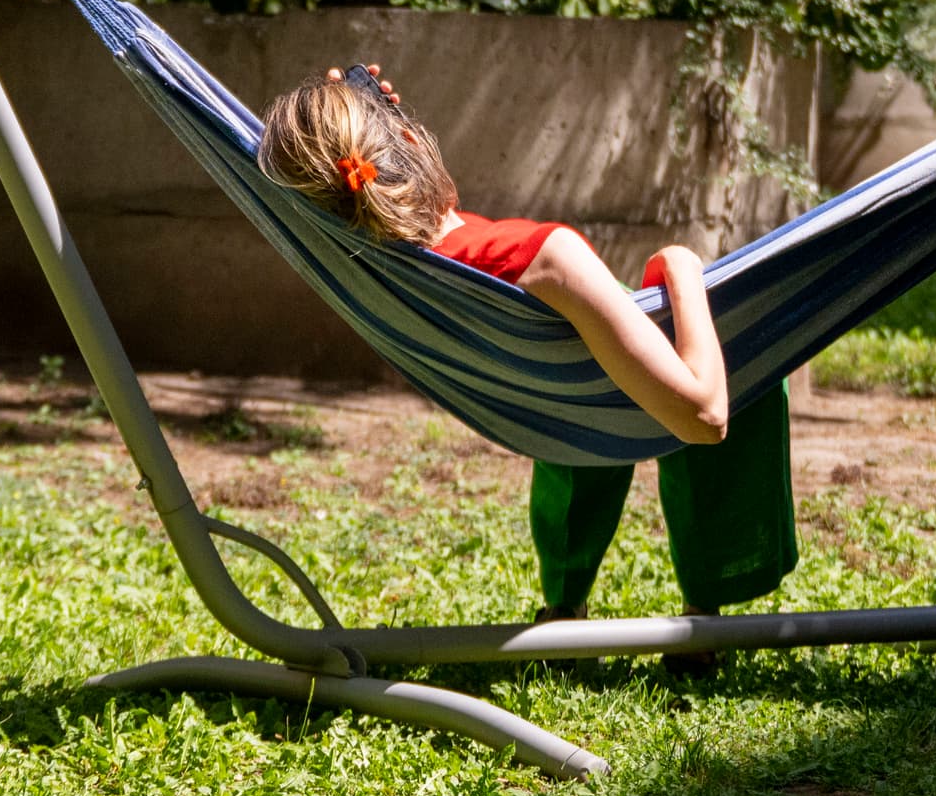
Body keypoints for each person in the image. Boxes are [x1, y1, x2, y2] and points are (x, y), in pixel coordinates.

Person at [255, 64, 797, 653]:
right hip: (631, 405)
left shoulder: (382, 271)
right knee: (746, 341)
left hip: (556, 415)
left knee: (578, 368)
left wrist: (335, 122)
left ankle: (566, 598)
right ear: (408, 143)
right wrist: (683, 266)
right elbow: (705, 415)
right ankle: (705, 602)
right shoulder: (542, 257)